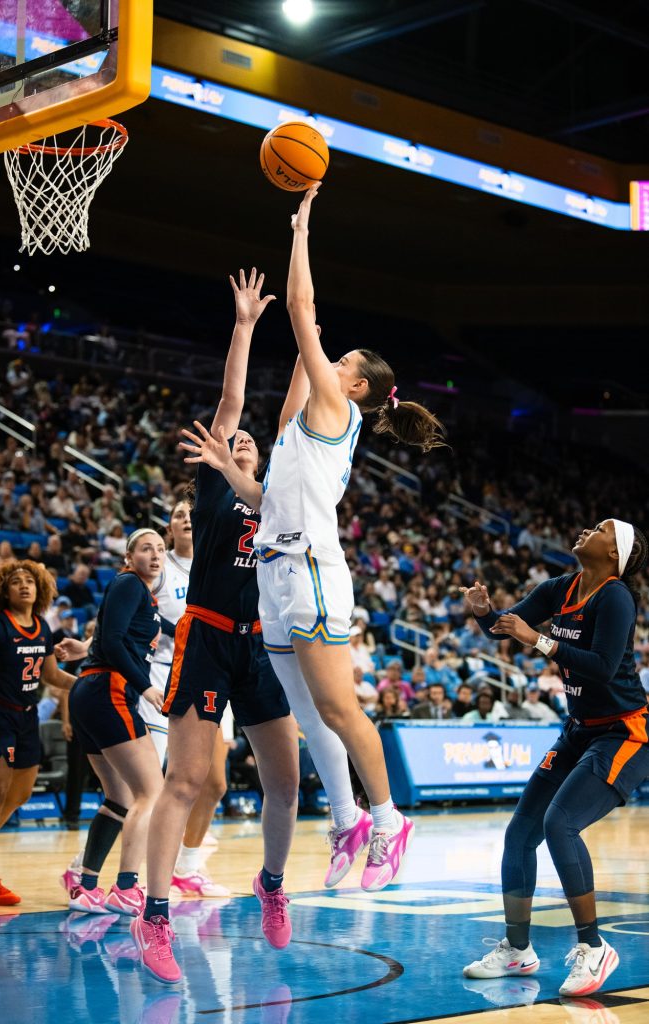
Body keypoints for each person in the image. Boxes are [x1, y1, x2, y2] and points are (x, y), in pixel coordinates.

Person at [183, 185, 444, 903]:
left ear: (354, 383)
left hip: (312, 569)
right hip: (276, 566)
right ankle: (347, 819)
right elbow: (266, 501)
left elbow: (301, 315)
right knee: (306, 715)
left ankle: (390, 822)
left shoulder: (337, 407)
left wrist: (300, 226)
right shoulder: (306, 419)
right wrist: (233, 472)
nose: (326, 361)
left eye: (339, 358)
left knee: (337, 707)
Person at [133, 268, 300, 984]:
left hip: (264, 644)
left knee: (286, 783)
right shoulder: (213, 490)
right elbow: (231, 401)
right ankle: (156, 914)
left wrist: (307, 341)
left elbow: (295, 417)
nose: (239, 449)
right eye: (232, 448)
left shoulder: (277, 501)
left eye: (250, 450)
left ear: (263, 464)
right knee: (188, 779)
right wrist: (244, 326)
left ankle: (271, 883)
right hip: (206, 634)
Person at [461, 519, 649, 998]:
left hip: (624, 732)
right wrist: (486, 614)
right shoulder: (559, 588)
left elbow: (603, 667)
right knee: (520, 831)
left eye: (603, 528)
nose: (590, 528)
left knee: (559, 823)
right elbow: (506, 629)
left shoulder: (615, 597)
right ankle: (517, 949)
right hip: (579, 730)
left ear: (615, 555)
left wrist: (539, 640)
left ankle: (594, 946)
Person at [66, 529, 166, 916]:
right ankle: (126, 887)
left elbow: (110, 636)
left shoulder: (140, 594)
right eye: (146, 548)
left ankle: (86, 886)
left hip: (92, 691)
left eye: (160, 549)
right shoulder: (129, 584)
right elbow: (112, 641)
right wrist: (145, 687)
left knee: (120, 797)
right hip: (110, 689)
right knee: (151, 792)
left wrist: (84, 647)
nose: (155, 555)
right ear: (128, 556)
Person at [0, 560, 76, 905]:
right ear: (3, 590)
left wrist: (90, 683)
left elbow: (53, 677)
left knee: (21, 795)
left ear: (40, 588)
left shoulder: (43, 628)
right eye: (16, 581)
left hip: (27, 717)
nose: (24, 586)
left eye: (30, 580)